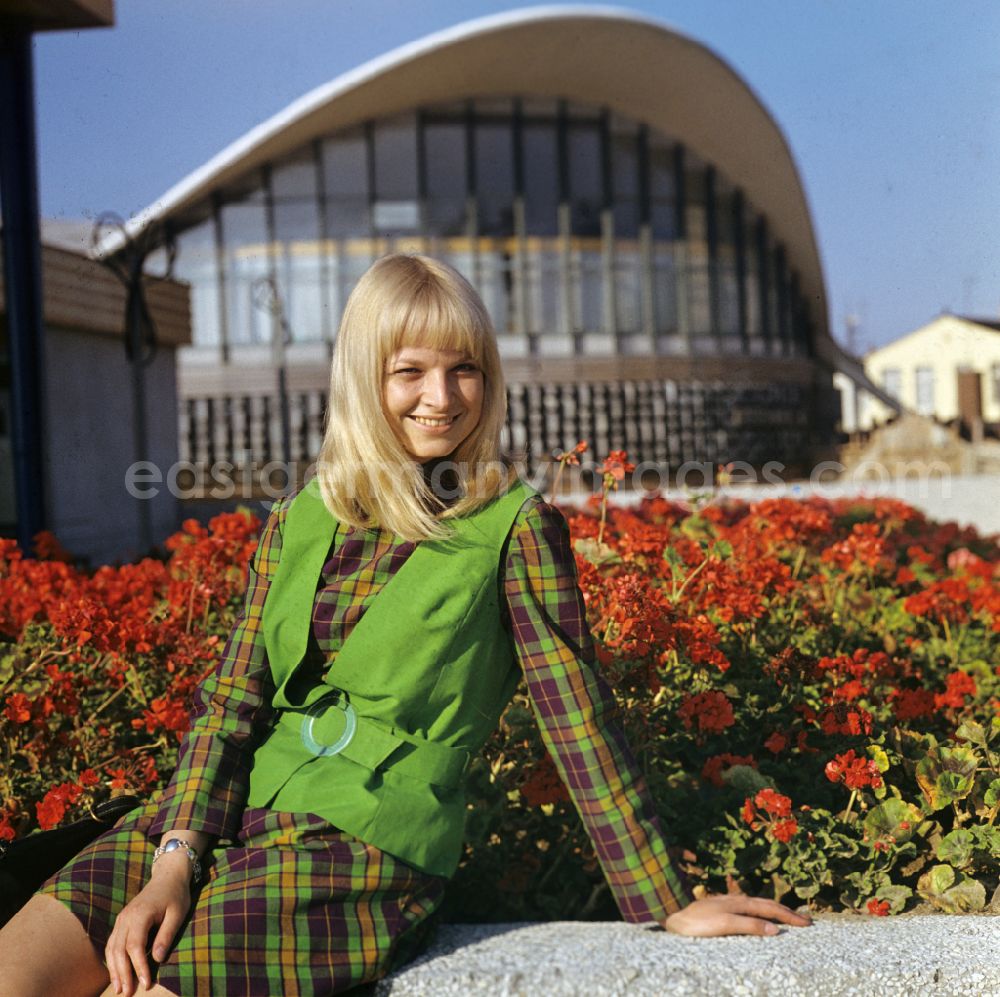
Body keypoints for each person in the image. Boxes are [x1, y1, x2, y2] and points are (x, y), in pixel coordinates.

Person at [0, 254, 809, 997]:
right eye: (410, 371)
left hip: (360, 846)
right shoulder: (297, 517)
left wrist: (664, 898)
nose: (443, 396)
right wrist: (176, 855)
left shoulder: (513, 526)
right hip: (223, 813)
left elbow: (576, 716)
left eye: (466, 369)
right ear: (363, 379)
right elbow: (230, 704)